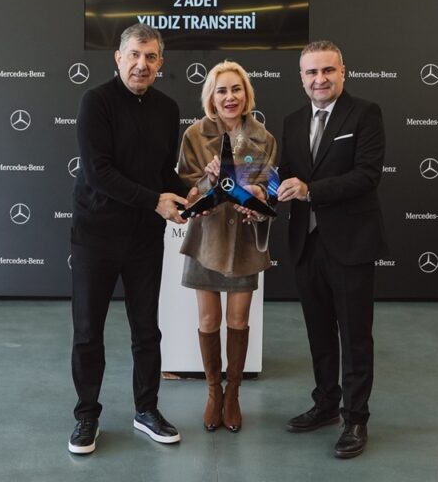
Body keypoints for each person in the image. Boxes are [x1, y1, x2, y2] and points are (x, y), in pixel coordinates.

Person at [68, 23, 190, 455]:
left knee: (146, 330)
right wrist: (155, 200)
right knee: (88, 331)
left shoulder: (167, 108)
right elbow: (98, 172)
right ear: (118, 58)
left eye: (151, 57)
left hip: (143, 238)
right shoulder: (96, 101)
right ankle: (87, 415)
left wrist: (191, 191)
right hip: (96, 235)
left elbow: (161, 172)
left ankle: (147, 410)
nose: (142, 64)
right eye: (135, 54)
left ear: (160, 63)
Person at [276, 40, 387, 459]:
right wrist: (256, 193)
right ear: (301, 78)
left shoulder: (365, 113)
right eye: (311, 72)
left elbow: (367, 175)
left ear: (343, 72)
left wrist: (311, 191)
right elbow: (284, 176)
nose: (319, 79)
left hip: (351, 243)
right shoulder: (292, 121)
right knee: (319, 331)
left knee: (355, 335)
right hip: (306, 243)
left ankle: (355, 418)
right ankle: (325, 404)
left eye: (327, 70)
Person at [176, 61, 277, 433]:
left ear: (246, 94)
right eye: (222, 90)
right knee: (207, 321)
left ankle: (233, 394)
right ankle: (213, 393)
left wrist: (256, 193)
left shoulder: (264, 138)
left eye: (236, 89)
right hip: (206, 240)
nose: (230, 97)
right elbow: (187, 190)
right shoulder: (194, 135)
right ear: (211, 97)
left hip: (244, 241)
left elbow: (269, 186)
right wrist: (209, 181)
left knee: (238, 320)